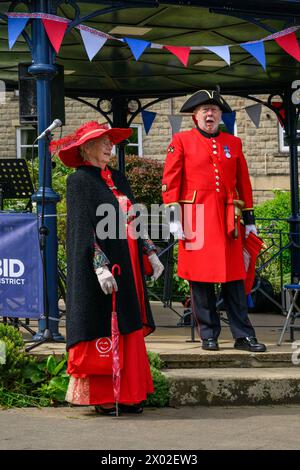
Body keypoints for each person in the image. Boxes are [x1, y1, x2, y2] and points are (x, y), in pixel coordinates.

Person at [50, 121, 164, 415]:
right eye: (102, 141)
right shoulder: (79, 181)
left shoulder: (118, 177)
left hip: (127, 263)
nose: (109, 146)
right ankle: (103, 397)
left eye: (109, 141)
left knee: (127, 325)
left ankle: (128, 394)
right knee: (104, 327)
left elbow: (134, 217)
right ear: (86, 148)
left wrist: (149, 251)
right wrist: (99, 266)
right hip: (100, 268)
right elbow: (82, 230)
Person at [162, 89, 266, 352]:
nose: (210, 114)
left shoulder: (234, 143)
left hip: (229, 219)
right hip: (195, 218)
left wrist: (250, 217)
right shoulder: (181, 140)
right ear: (195, 116)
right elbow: (170, 182)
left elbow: (244, 182)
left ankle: (243, 335)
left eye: (214, 110)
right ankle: (209, 334)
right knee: (201, 280)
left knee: (234, 280)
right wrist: (174, 218)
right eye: (205, 110)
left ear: (220, 115)